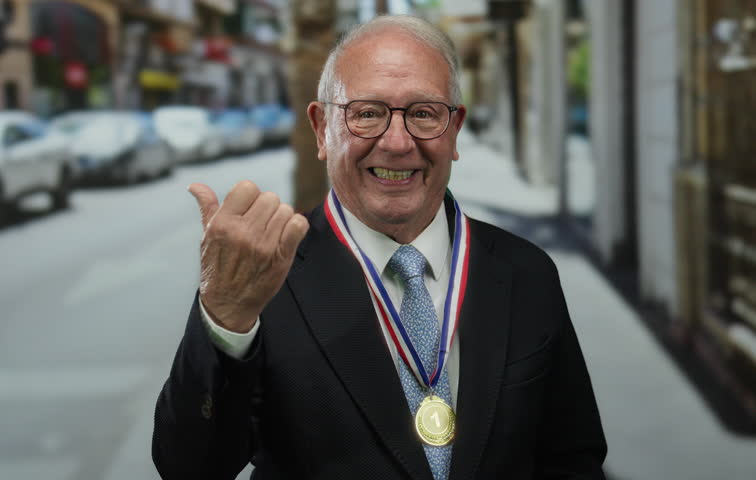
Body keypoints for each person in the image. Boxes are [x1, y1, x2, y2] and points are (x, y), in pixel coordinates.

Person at [152, 15, 607, 480]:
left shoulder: (526, 272)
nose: (396, 142)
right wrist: (225, 318)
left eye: (423, 113)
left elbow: (573, 457)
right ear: (321, 128)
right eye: (367, 113)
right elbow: (189, 468)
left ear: (454, 130)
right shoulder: (264, 276)